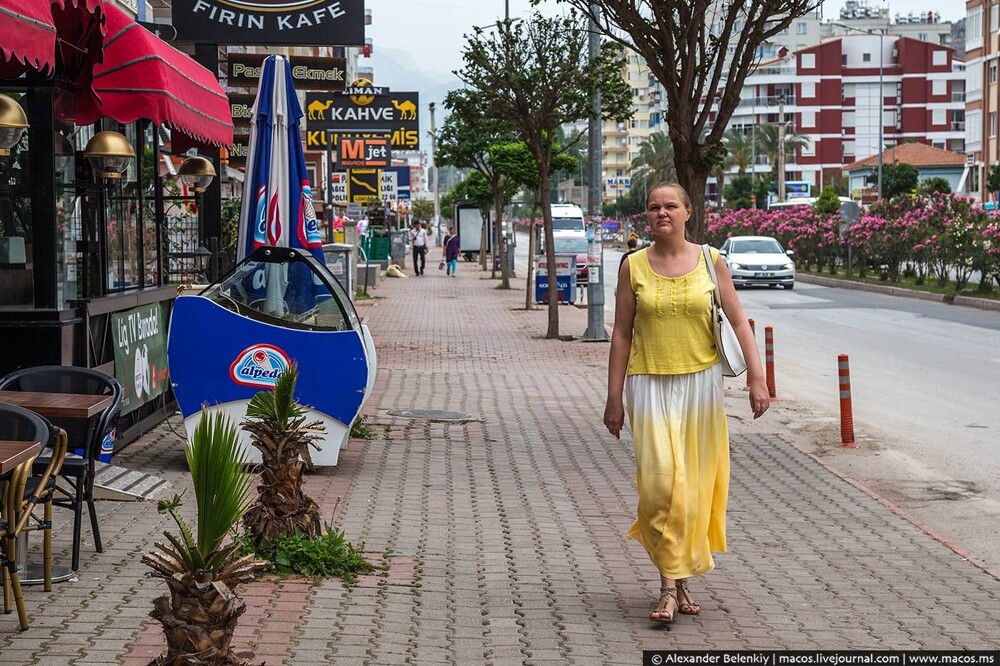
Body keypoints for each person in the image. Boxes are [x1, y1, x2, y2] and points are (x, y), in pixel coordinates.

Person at [603, 182, 769, 624]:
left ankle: (676, 581)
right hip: (648, 385)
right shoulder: (633, 266)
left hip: (700, 387)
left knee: (691, 492)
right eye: (654, 206)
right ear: (647, 215)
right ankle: (667, 587)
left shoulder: (712, 261)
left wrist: (758, 378)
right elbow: (621, 333)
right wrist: (613, 397)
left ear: (687, 212)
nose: (662, 212)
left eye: (670, 206)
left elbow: (739, 321)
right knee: (659, 489)